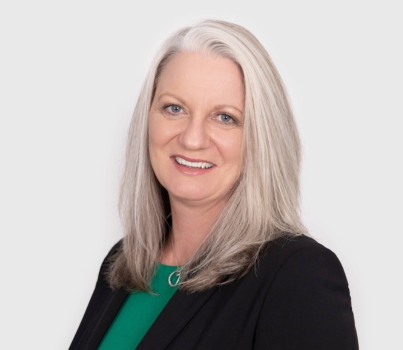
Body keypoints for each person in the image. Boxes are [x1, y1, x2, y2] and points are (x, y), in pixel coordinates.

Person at [70, 19, 358, 349]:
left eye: (225, 117)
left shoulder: (297, 277)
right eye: (174, 108)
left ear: (261, 139)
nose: (192, 139)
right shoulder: (123, 262)